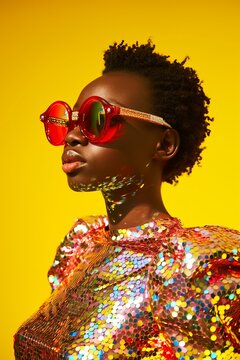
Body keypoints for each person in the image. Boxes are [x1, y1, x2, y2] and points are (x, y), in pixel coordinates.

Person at [14, 41, 240, 359]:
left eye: (97, 119)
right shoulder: (84, 249)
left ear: (163, 143)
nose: (73, 136)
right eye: (68, 121)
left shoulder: (192, 270)